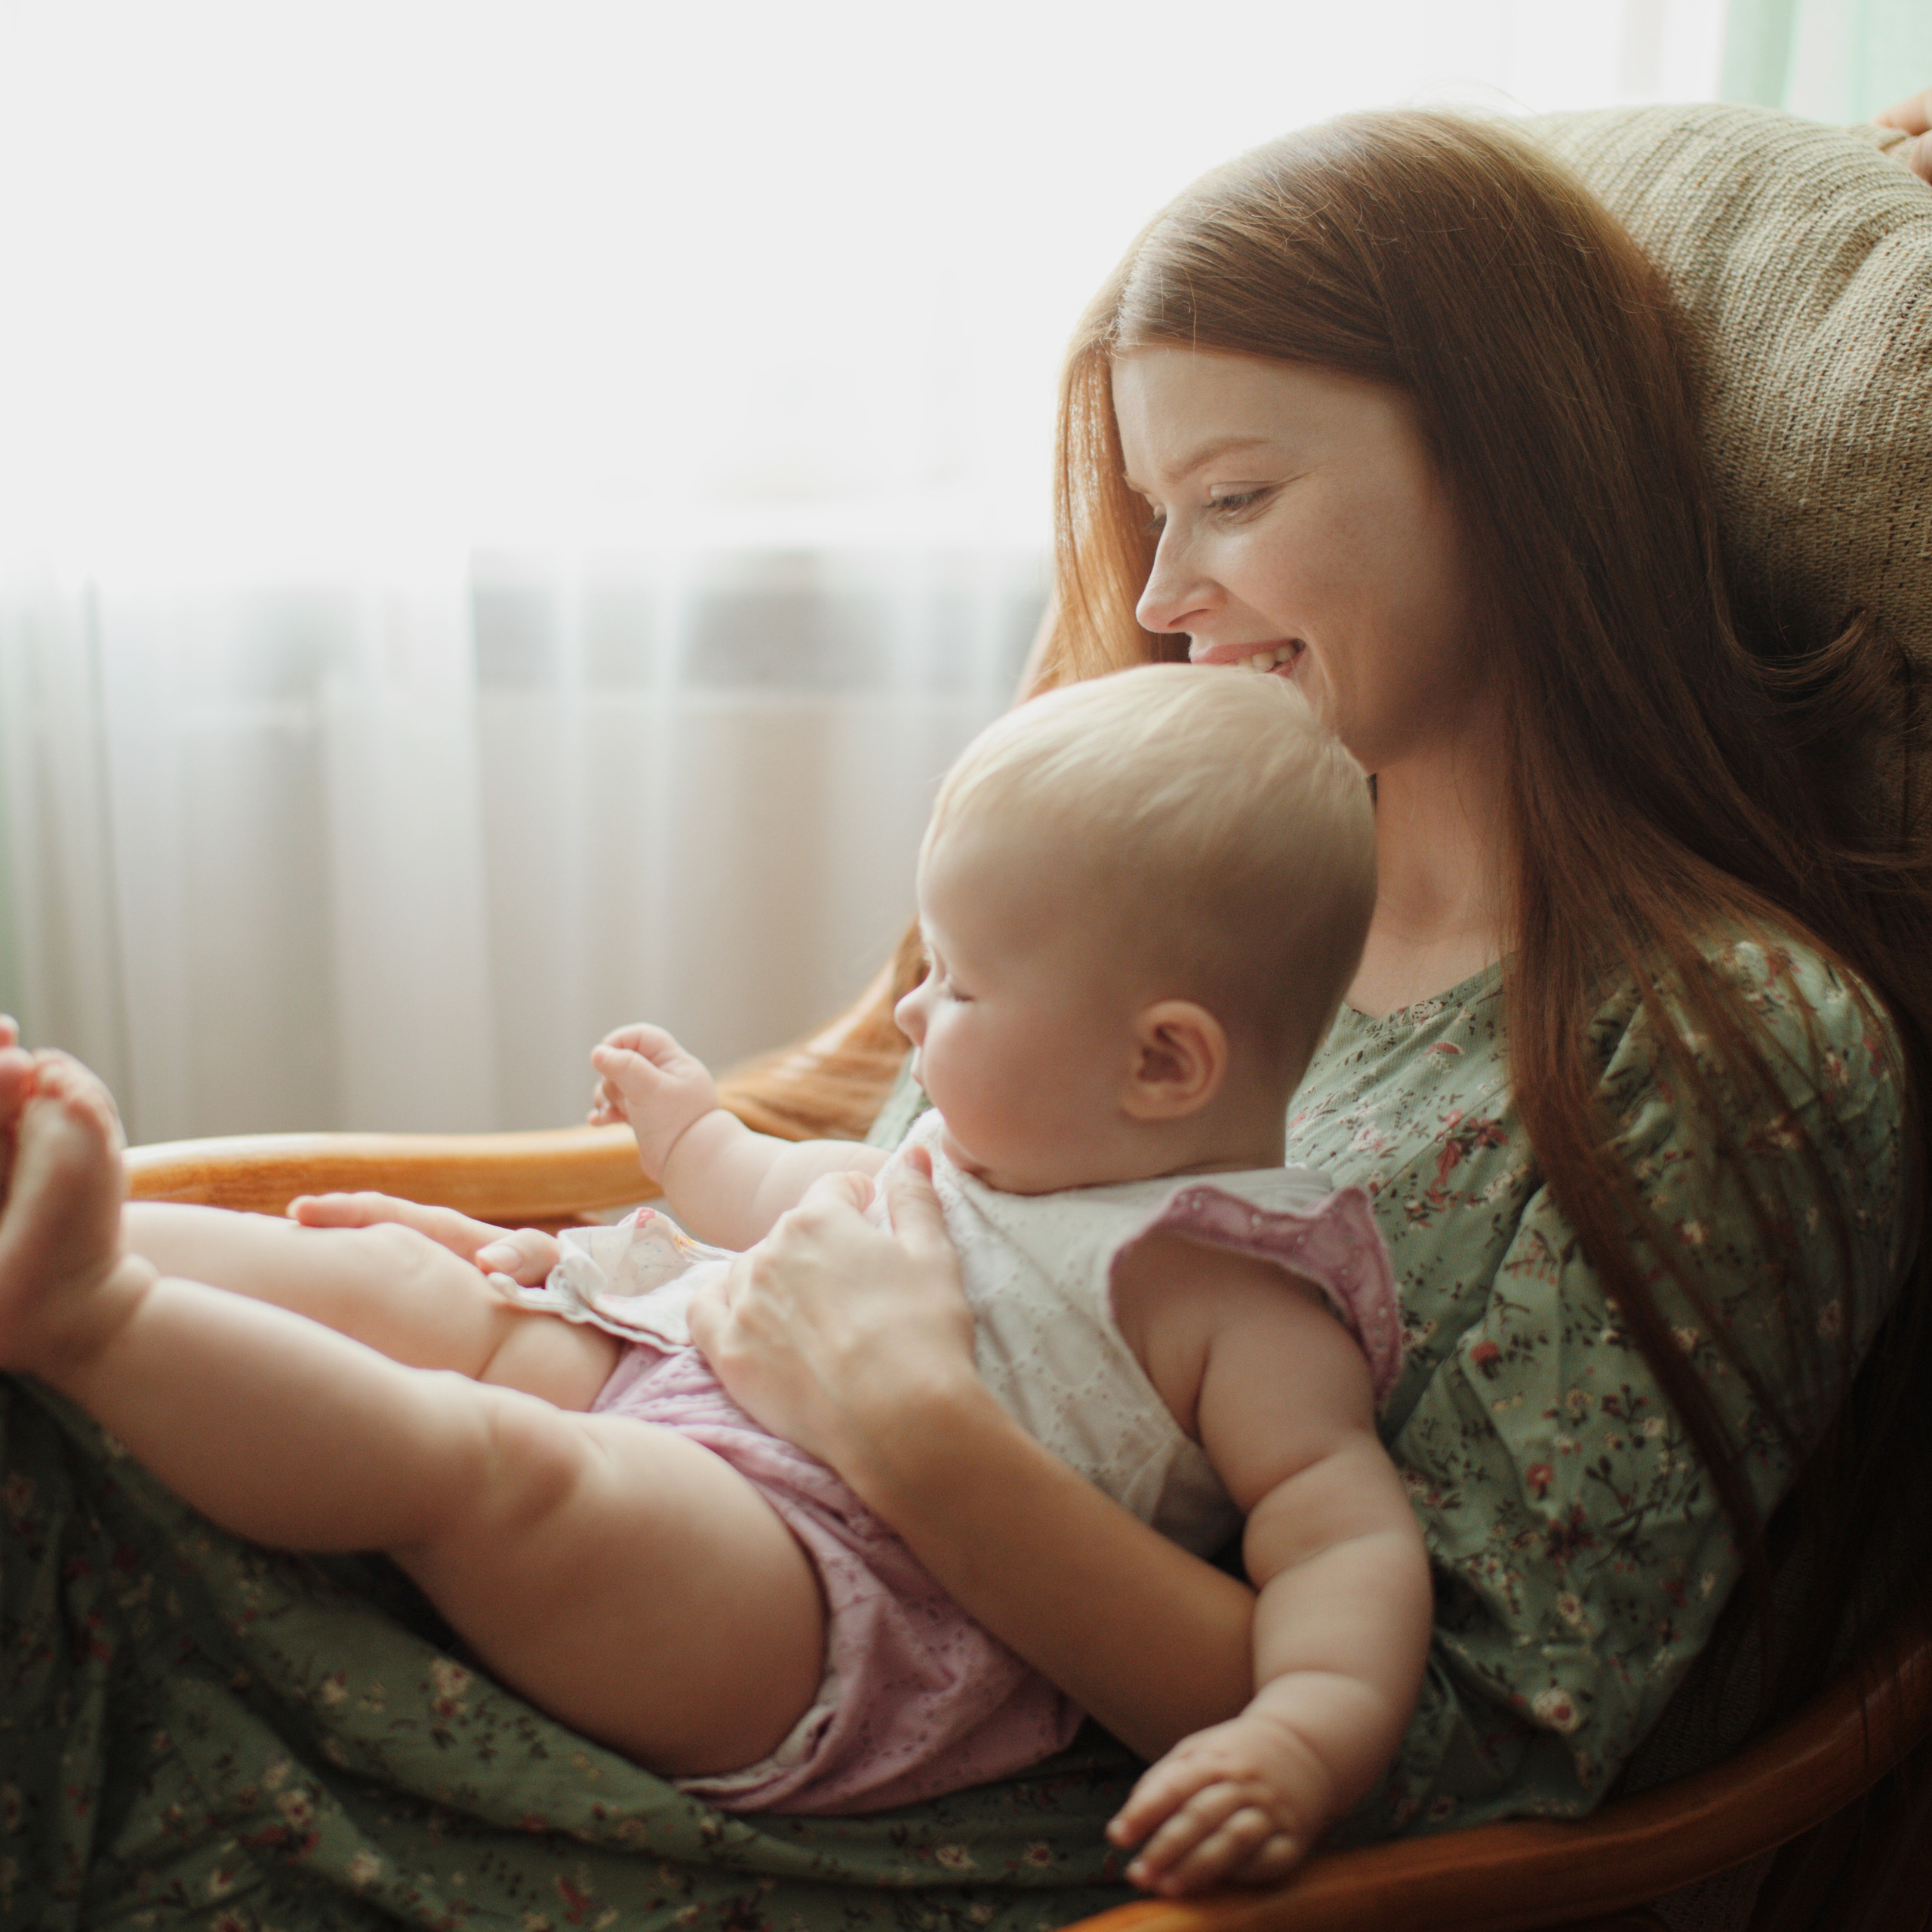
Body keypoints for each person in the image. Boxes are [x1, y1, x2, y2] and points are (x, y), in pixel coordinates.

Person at [647, 105, 1930, 1905]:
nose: (1166, 598)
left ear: (1516, 473)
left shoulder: (1718, 1046)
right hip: (687, 1524)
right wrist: (583, 1285)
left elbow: (1464, 1753)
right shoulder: (1169, 868)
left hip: (955, 1816)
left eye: (1234, 497)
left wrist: (907, 1427)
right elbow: (879, 1226)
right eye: (1155, 513)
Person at [0, 666, 1435, 1895]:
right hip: (687, 1384)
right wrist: (690, 1136)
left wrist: (1299, 1733)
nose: (918, 1012)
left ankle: (92, 1317)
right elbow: (772, 1202)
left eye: (960, 984)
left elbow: (1344, 1545)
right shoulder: (985, 1153)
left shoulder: (1242, 1301)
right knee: (399, 1277)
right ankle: (79, 1236)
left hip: (832, 1605)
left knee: (501, 1470)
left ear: (1162, 1062)